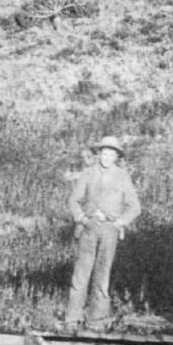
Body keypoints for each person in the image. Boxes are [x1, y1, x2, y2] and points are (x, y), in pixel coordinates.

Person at [63, 136, 142, 330]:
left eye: (111, 153)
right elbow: (74, 201)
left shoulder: (122, 176)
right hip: (88, 228)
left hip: (109, 230)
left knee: (102, 275)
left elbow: (134, 207)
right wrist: (82, 218)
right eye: (104, 153)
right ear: (99, 154)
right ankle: (72, 320)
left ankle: (96, 322)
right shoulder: (88, 173)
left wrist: (120, 222)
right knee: (81, 275)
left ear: (116, 156)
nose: (107, 157)